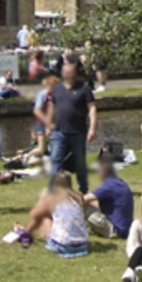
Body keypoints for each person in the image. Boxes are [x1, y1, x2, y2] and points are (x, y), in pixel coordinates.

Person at [48, 57, 98, 192]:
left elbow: (92, 108)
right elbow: (51, 107)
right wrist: (49, 125)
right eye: (66, 72)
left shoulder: (84, 88)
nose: (68, 74)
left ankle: (83, 189)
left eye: (70, 72)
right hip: (59, 131)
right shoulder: (57, 89)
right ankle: (53, 192)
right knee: (55, 161)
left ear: (75, 72)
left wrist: (92, 128)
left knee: (80, 163)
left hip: (78, 131)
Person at [24, 174, 91, 258]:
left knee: (45, 217)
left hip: (63, 246)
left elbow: (35, 214)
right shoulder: (78, 197)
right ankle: (27, 232)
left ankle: (26, 233)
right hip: (83, 245)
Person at [87, 153, 135, 239]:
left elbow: (83, 199)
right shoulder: (119, 183)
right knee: (93, 201)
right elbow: (96, 201)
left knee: (85, 206)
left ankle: (75, 230)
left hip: (116, 230)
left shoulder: (109, 186)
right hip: (126, 229)